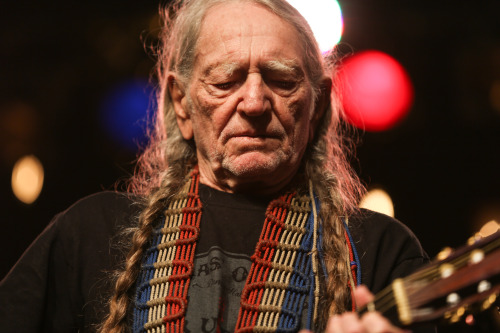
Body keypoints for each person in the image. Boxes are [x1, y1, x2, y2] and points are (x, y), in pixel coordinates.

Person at [0, 0, 433, 332]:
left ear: (317, 105)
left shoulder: (380, 252)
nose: (254, 102)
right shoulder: (89, 233)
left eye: (282, 80)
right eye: (225, 80)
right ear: (181, 105)